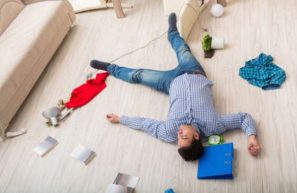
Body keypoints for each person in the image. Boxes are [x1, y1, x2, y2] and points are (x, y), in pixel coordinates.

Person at [90, 13, 260, 161]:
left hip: (170, 83)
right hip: (194, 73)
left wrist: (121, 119)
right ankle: (172, 32)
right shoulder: (214, 126)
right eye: (184, 136)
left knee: (139, 75)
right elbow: (243, 118)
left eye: (178, 139)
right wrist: (252, 137)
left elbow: (145, 124)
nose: (178, 135)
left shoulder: (169, 132)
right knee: (182, 49)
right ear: (196, 135)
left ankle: (109, 68)